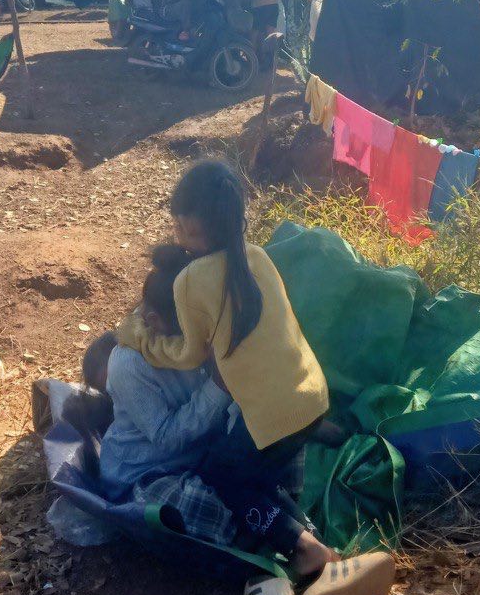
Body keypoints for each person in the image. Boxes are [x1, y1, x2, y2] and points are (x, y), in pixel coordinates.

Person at [103, 244, 334, 571]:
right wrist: (218, 386)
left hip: (205, 456)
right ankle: (287, 540)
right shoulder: (129, 364)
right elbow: (168, 439)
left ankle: (304, 542)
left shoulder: (205, 328)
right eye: (192, 332)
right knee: (213, 503)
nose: (203, 337)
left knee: (268, 450)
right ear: (155, 321)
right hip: (154, 472)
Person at [116, 160, 330, 497]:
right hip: (313, 393)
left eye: (183, 228)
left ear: (190, 224)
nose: (179, 235)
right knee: (265, 474)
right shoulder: (257, 256)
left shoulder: (191, 280)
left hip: (272, 416)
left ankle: (307, 546)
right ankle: (299, 523)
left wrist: (143, 341)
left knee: (225, 483)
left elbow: (189, 355)